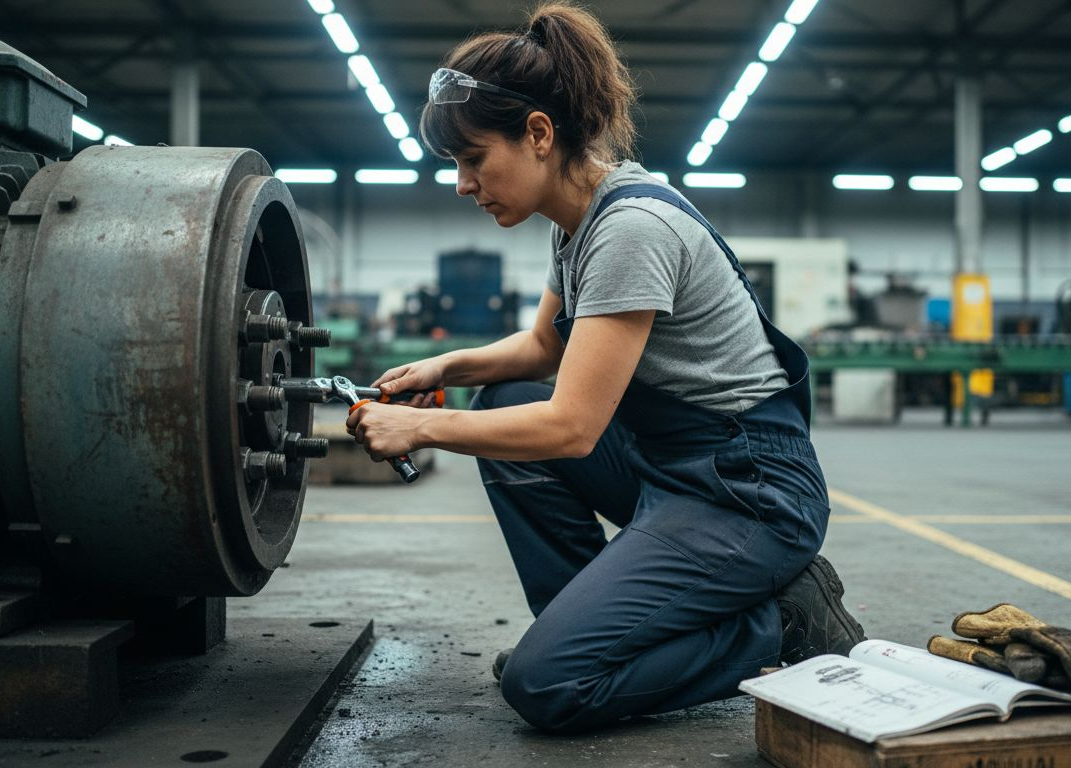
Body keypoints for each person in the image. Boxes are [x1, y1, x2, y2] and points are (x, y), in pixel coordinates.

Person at [346, 2, 864, 734]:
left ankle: (781, 622)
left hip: (747, 492)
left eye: (472, 160)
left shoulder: (629, 228)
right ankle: (579, 630)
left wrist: (423, 427)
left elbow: (573, 426)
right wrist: (444, 364)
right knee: (502, 397)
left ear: (537, 135)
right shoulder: (577, 221)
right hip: (673, 467)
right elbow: (543, 352)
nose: (464, 185)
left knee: (548, 687)